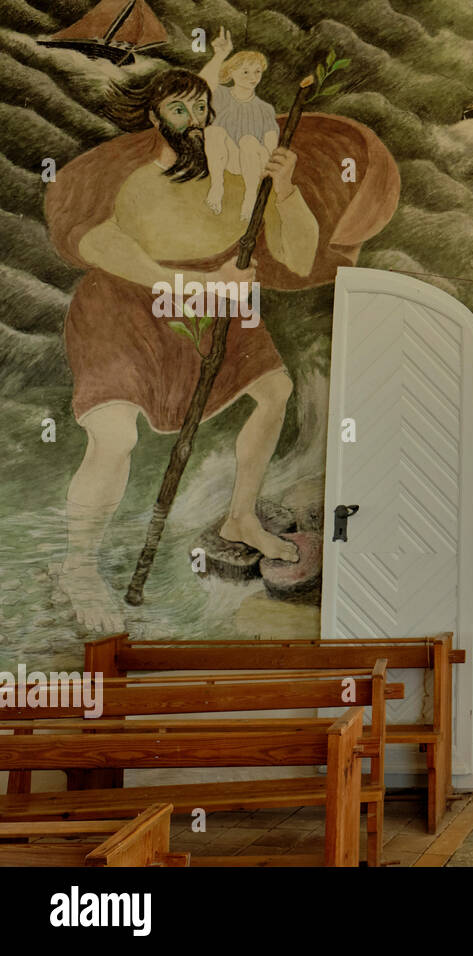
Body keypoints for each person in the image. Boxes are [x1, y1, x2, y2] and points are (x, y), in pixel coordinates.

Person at [45, 66, 398, 632]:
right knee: (114, 432)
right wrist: (201, 286)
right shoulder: (130, 174)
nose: (194, 122)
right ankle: (77, 565)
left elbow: (299, 256)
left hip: (218, 300)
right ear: (155, 116)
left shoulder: (239, 172)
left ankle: (240, 518)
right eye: (180, 111)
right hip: (125, 307)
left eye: (202, 110)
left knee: (275, 391)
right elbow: (102, 247)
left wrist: (285, 191)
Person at [200, 28, 280, 221]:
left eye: (257, 72)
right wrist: (220, 55)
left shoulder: (265, 109)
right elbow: (200, 85)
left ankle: (250, 197)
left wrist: (267, 166)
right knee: (214, 131)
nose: (252, 77)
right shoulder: (221, 96)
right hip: (230, 158)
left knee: (248, 140)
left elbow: (270, 147)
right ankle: (217, 185)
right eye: (245, 71)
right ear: (231, 72)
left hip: (256, 160)